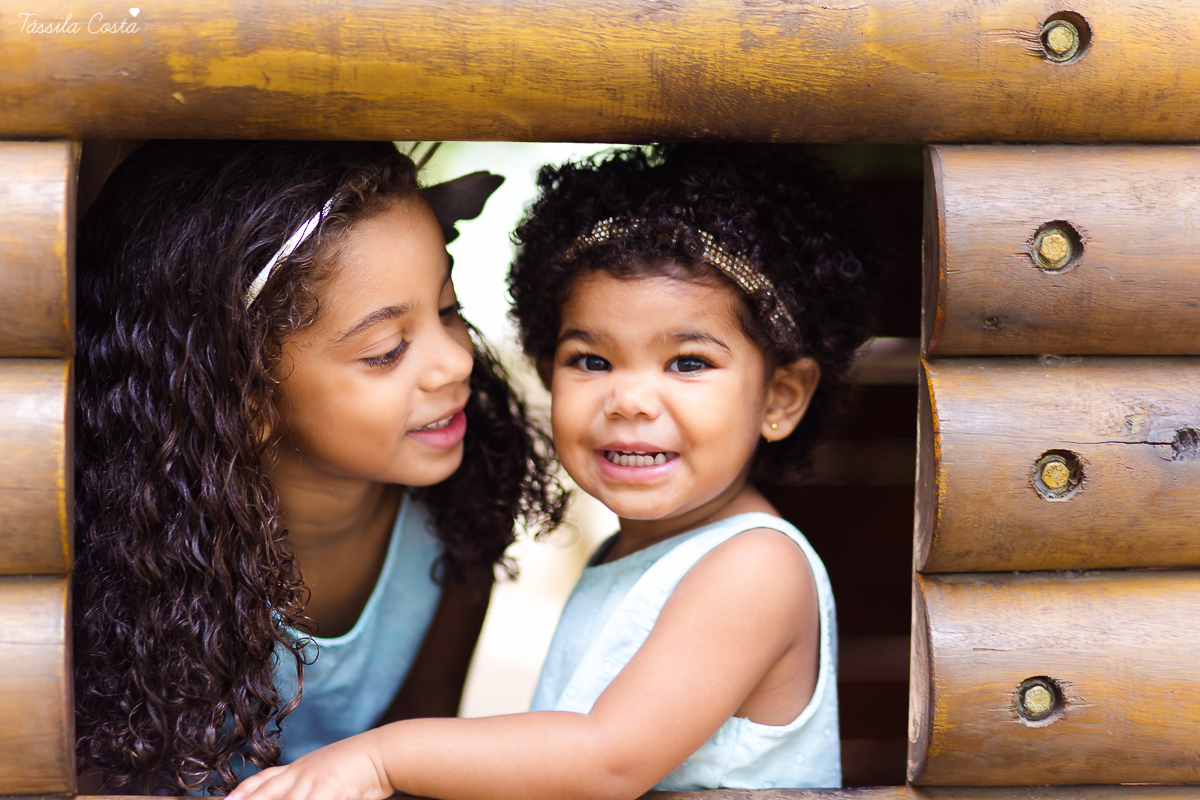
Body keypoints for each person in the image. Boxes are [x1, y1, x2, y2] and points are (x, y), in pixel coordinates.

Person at [227, 143, 877, 800]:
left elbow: (605, 760)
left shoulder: (754, 568)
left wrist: (378, 758)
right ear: (546, 370)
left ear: (780, 398)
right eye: (591, 361)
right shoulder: (639, 555)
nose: (628, 400)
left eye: (687, 363)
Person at [73, 140, 566, 794]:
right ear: (244, 398)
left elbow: (415, 754)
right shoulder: (134, 556)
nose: (455, 362)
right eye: (387, 351)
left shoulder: (463, 503)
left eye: (448, 310)